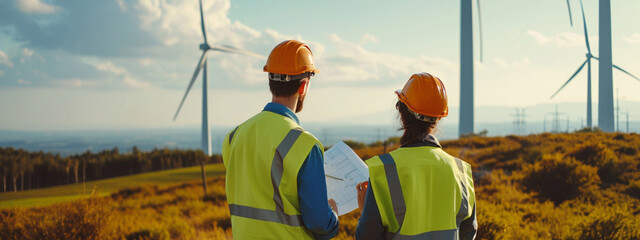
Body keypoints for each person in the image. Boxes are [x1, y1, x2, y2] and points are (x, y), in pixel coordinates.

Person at [222, 40, 339, 240]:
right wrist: (333, 216)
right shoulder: (304, 144)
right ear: (303, 86)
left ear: (270, 82)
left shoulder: (234, 137)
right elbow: (319, 222)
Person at [354, 72, 477, 240]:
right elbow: (468, 233)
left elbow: (367, 236)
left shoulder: (384, 170)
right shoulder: (461, 171)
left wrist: (364, 213)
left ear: (402, 114)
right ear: (438, 118)